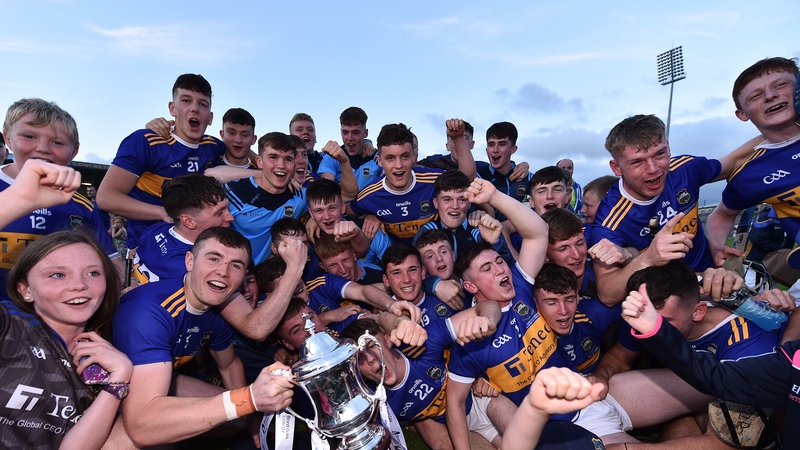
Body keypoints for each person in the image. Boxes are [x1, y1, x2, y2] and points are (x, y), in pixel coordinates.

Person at [113, 227, 295, 447]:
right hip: (100, 391)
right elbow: (141, 427)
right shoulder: (150, 312)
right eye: (214, 259)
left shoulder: (216, 308)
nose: (223, 272)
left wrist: (249, 417)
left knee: (239, 419)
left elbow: (228, 364)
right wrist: (248, 399)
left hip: (157, 380)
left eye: (235, 265)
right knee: (149, 436)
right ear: (190, 261)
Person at [445, 178, 576, 450]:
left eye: (499, 261)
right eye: (486, 269)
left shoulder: (521, 285)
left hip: (577, 401)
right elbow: (455, 403)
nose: (500, 270)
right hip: (534, 424)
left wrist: (494, 196)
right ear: (469, 286)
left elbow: (538, 232)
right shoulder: (472, 334)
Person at [620, 267, 800, 448]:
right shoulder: (696, 298)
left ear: (698, 311)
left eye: (664, 321)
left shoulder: (747, 347)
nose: (646, 324)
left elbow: (731, 438)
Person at [588, 114, 753, 305]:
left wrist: (790, 129)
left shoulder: (685, 170)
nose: (653, 168)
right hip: (670, 304)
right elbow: (607, 294)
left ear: (668, 146)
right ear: (616, 168)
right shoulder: (610, 220)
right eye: (637, 162)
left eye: (659, 154)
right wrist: (648, 258)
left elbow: (735, 160)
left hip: (717, 281)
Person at [1, 231, 131, 449]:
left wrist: (118, 379)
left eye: (92, 273)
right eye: (58, 275)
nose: (79, 285)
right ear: (25, 289)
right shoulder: (9, 324)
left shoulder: (108, 354)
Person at [340, 303, 509, 450]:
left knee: (525, 436)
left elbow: (487, 306)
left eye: (372, 345)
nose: (370, 359)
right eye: (359, 357)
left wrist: (488, 320)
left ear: (388, 340)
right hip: (452, 426)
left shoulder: (423, 343)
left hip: (478, 398)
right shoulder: (375, 403)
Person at [0, 98, 120, 295]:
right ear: (8, 139)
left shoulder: (82, 207)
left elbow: (113, 266)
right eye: (29, 136)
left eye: (57, 142)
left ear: (74, 152)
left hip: (54, 321)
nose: (43, 148)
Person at [98, 74, 225, 247]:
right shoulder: (145, 141)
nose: (195, 108)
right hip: (145, 255)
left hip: (196, 253)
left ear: (210, 117)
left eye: (202, 104)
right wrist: (162, 212)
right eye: (186, 100)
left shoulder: (214, 147)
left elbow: (243, 151)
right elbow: (106, 197)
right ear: (172, 108)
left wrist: (253, 157)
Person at [705, 58, 800, 270]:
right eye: (756, 95)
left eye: (781, 84)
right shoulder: (749, 173)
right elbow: (722, 214)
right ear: (742, 115)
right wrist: (715, 246)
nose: (770, 95)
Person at [348, 120, 477, 244]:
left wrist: (459, 137)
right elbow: (345, 210)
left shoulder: (432, 180)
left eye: (405, 156)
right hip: (399, 259)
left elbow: (466, 178)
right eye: (390, 158)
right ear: (380, 161)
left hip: (436, 253)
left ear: (413, 156)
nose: (398, 165)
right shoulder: (370, 195)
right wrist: (367, 215)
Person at [131, 174, 233, 284]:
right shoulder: (192, 269)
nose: (231, 217)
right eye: (220, 213)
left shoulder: (154, 230)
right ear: (189, 221)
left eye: (228, 208)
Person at [224, 131, 307, 264]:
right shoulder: (234, 194)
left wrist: (315, 217)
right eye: (273, 157)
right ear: (259, 161)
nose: (281, 165)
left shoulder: (300, 196)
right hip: (235, 272)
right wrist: (263, 174)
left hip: (270, 275)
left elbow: (342, 197)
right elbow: (210, 175)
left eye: (288, 159)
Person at [477, 121, 532, 221]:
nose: (495, 150)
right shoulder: (479, 177)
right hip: (489, 234)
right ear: (486, 150)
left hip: (520, 234)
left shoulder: (526, 176)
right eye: (491, 144)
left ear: (513, 149)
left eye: (502, 144)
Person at [318, 107, 382, 191]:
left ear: (365, 133)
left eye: (355, 133)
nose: (350, 138)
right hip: (341, 203)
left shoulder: (377, 157)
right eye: (345, 132)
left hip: (370, 204)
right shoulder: (331, 157)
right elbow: (326, 192)